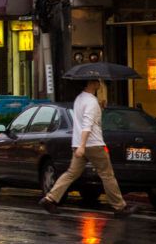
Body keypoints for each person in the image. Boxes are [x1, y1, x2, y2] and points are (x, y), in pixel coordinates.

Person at [39, 79, 137, 218]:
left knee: (71, 173)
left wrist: (100, 108)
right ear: (90, 83)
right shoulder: (91, 101)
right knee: (107, 175)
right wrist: (83, 146)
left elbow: (88, 119)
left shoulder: (80, 99)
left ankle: (50, 199)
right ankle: (119, 207)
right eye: (96, 81)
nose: (98, 82)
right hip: (93, 144)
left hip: (79, 143)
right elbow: (87, 125)